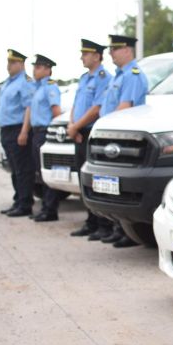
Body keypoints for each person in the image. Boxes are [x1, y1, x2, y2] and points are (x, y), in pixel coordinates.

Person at [97, 34, 149, 248]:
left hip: (125, 138)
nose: (111, 53)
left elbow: (125, 107)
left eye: (115, 49)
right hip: (112, 137)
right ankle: (118, 228)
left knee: (121, 186)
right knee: (111, 185)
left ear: (127, 50)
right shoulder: (119, 76)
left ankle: (127, 232)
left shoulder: (132, 75)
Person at [68, 39, 114, 238]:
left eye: (85, 54)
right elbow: (76, 105)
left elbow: (96, 109)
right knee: (82, 179)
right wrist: (72, 125)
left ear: (97, 56)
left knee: (96, 180)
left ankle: (104, 224)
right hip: (78, 132)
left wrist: (76, 127)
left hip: (90, 133)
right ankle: (91, 221)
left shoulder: (104, 78)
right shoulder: (84, 78)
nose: (82, 57)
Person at [24, 54, 63, 222]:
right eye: (34, 67)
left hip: (45, 132)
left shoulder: (50, 87)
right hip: (36, 133)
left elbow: (56, 112)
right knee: (40, 172)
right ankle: (46, 207)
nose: (35, 70)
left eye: (38, 67)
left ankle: (50, 210)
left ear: (48, 70)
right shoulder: (37, 87)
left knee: (47, 172)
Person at [0, 49, 37, 217]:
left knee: (23, 169)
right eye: (8, 62)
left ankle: (25, 204)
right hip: (6, 130)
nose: (9, 66)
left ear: (21, 64)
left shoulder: (25, 82)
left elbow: (29, 107)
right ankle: (18, 201)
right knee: (14, 169)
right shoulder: (8, 82)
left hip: (18, 129)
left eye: (12, 62)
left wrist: (24, 131)